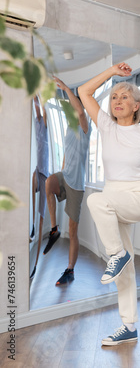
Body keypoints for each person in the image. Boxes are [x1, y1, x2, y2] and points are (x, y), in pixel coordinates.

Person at [79, 63, 140, 346]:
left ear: (136, 105)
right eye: (114, 97)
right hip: (113, 197)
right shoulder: (106, 126)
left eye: (124, 97)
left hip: (138, 196)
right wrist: (110, 72)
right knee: (125, 271)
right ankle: (129, 325)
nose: (117, 101)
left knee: (95, 200)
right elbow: (84, 91)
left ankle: (116, 255)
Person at [44, 77, 91, 285]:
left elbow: (80, 111)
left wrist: (64, 88)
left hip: (77, 185)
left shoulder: (84, 126)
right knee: (49, 183)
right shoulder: (68, 128)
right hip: (66, 175)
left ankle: (70, 270)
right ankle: (54, 229)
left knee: (73, 231)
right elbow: (67, 153)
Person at [30, 95, 49, 278]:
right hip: (38, 170)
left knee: (42, 214)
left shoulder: (45, 126)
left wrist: (39, 96)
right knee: (30, 185)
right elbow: (37, 109)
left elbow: (42, 110)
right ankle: (33, 227)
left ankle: (35, 264)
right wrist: (34, 95)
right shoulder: (38, 124)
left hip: (45, 175)